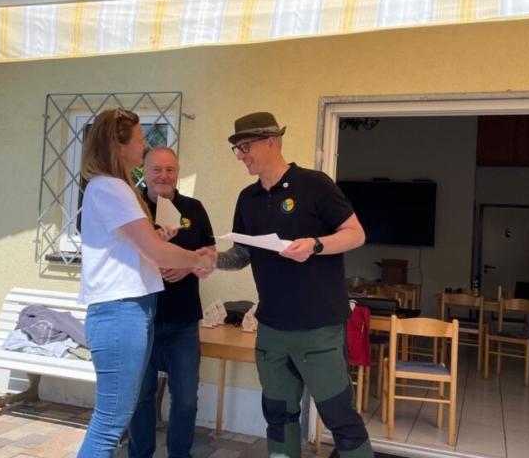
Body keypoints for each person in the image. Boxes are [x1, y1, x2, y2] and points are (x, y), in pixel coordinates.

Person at [211, 112, 374, 458]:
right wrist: (210, 261)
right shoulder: (247, 198)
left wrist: (315, 245)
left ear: (271, 141)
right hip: (271, 328)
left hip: (319, 328)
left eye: (245, 147)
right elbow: (241, 255)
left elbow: (356, 234)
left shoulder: (315, 184)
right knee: (278, 416)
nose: (240, 156)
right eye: (237, 149)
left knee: (340, 419)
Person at [76, 109, 215, 458]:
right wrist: (198, 260)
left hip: (128, 311)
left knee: (113, 420)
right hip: (121, 312)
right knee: (110, 425)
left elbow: (135, 247)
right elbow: (155, 252)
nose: (144, 146)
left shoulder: (111, 187)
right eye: (139, 140)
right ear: (117, 145)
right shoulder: (112, 187)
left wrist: (156, 239)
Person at [128, 147, 216, 458]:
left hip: (183, 319)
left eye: (170, 169)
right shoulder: (133, 208)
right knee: (141, 398)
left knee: (186, 399)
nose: (164, 176)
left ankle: (180, 454)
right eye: (156, 169)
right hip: (142, 319)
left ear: (177, 172)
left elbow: (210, 255)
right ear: (144, 171)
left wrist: (189, 266)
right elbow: (122, 256)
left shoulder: (193, 208)